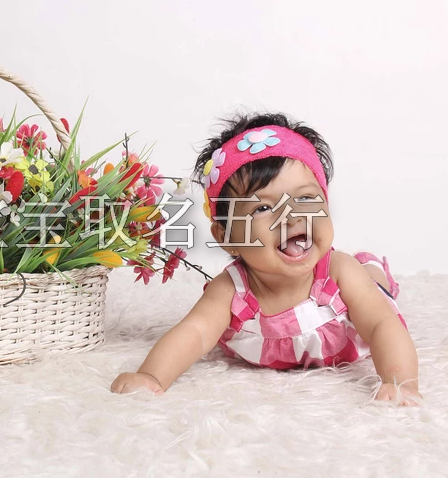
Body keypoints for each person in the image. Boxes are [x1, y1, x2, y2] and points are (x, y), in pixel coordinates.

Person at [110, 113, 421, 406]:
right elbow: (194, 332)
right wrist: (152, 376)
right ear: (227, 237)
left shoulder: (339, 272)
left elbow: (381, 324)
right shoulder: (231, 291)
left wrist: (400, 382)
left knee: (373, 287)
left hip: (355, 296)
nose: (291, 216)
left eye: (306, 198)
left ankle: (374, 271)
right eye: (262, 208)